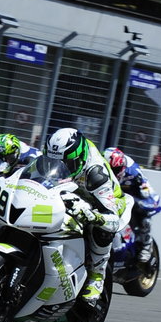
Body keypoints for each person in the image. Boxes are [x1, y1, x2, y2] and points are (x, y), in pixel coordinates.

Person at [42, 128, 125, 307]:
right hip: (73, 188)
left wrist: (95, 216)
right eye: (54, 162)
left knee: (100, 227)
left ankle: (97, 276)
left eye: (66, 163)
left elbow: (113, 220)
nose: (60, 167)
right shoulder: (56, 155)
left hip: (104, 198)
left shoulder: (96, 172)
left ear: (79, 158)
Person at [106, 147, 160, 264]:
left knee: (144, 211)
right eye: (111, 170)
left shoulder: (133, 171)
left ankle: (146, 244)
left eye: (116, 170)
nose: (114, 173)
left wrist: (142, 197)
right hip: (112, 195)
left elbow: (147, 191)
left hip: (134, 194)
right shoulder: (100, 166)